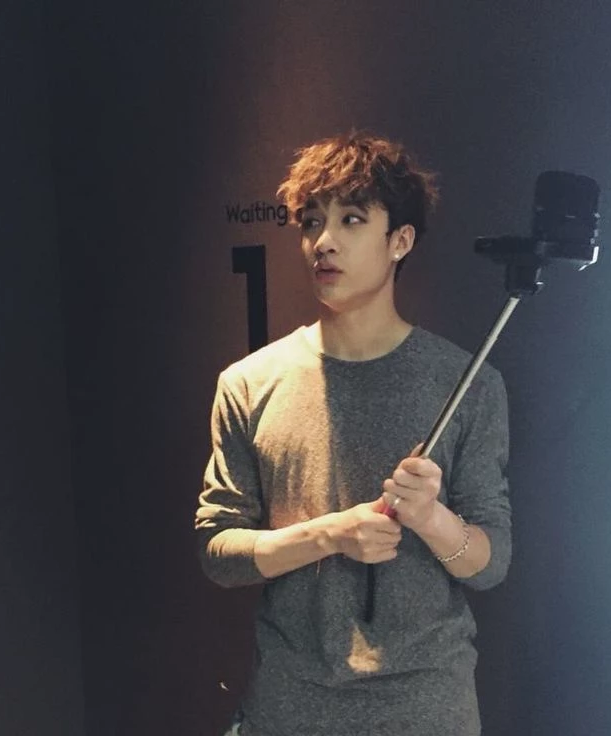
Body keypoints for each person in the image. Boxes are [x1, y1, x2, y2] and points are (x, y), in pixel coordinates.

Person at [195, 132, 511, 736]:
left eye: (352, 219)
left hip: (426, 712)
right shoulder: (248, 383)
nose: (324, 241)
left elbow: (490, 563)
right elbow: (219, 552)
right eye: (312, 222)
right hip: (292, 708)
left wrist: (432, 519)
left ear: (401, 241)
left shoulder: (468, 384)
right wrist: (329, 534)